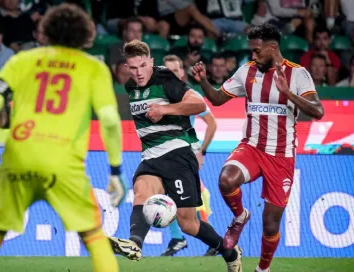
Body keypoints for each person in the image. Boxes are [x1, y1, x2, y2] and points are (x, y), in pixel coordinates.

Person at [0, 4, 127, 272]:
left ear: (45, 31)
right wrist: (115, 170)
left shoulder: (20, 60)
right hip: (63, 163)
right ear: (85, 34)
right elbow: (111, 122)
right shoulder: (93, 68)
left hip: (17, 158)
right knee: (93, 237)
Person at [192, 23, 324, 272]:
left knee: (270, 224)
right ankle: (240, 217)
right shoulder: (247, 71)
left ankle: (262, 269)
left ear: (273, 48)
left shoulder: (298, 74)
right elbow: (218, 99)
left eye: (257, 51)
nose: (253, 55)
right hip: (251, 147)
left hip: (281, 156)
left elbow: (317, 111)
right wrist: (203, 82)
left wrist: (288, 93)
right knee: (226, 180)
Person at [108, 40, 242, 272]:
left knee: (188, 224)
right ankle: (135, 244)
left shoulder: (164, 78)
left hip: (177, 154)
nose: (138, 73)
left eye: (142, 66)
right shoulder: (131, 87)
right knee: (141, 192)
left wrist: (165, 109)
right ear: (127, 68)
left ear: (150, 61)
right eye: (133, 67)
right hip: (151, 156)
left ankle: (229, 252)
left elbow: (198, 104)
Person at [160, 55, 218, 257]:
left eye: (175, 71)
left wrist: (202, 151)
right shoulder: (157, 96)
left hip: (185, 154)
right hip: (164, 154)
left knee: (180, 195)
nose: (171, 75)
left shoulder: (190, 96)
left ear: (182, 73)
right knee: (184, 194)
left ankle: (180, 239)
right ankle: (191, 239)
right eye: (167, 71)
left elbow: (212, 123)